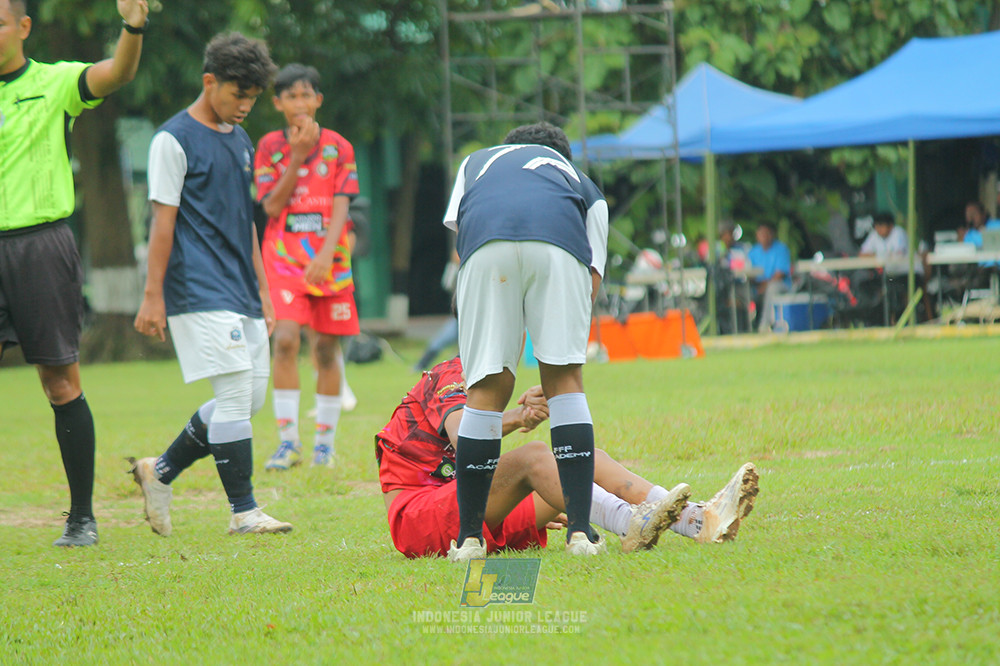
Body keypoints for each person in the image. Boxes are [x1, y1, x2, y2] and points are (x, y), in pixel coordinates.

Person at [129, 33, 292, 537]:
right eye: (236, 95)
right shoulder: (171, 141)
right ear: (209, 82)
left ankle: (159, 473)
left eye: (252, 98)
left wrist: (262, 289)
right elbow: (162, 221)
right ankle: (244, 511)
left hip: (240, 285)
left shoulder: (239, 140)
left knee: (250, 400)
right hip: (197, 286)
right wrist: (153, 295)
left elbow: (245, 222)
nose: (244, 106)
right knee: (236, 392)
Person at [0, 0, 149, 547]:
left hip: (41, 245)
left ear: (23, 27)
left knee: (59, 382)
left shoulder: (54, 83)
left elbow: (117, 73)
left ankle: (81, 517)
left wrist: (132, 26)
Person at [377, 356, 760, 558]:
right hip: (420, 518)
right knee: (535, 458)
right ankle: (630, 523)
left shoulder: (485, 371)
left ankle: (698, 520)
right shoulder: (454, 371)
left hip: (465, 507)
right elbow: (465, 438)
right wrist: (518, 417)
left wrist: (517, 416)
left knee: (581, 458)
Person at [442, 121, 609, 559]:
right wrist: (558, 363)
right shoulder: (582, 185)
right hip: (558, 247)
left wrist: (501, 359)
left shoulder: (475, 163)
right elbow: (590, 280)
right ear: (562, 159)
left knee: (484, 389)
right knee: (566, 383)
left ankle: (469, 539)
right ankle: (579, 534)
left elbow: (465, 234)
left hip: (484, 248)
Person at [253, 63, 361, 471]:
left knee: (326, 348)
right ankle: (288, 442)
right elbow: (271, 206)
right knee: (283, 339)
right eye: (290, 96)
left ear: (318, 99)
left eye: (306, 95)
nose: (299, 103)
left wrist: (325, 255)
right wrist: (297, 157)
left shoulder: (339, 147)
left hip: (329, 262)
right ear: (278, 103)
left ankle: (324, 446)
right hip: (281, 258)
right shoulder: (268, 148)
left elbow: (342, 205)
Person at [412, 249, 460, 373]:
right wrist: (454, 266)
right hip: (458, 317)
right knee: (438, 342)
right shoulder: (456, 269)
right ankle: (420, 366)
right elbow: (447, 284)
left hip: (474, 318)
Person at [747, 222, 792, 333]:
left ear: (772, 234)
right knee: (741, 291)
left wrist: (764, 286)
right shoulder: (753, 252)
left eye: (766, 233)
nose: (764, 236)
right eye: (761, 234)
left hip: (780, 285)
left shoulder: (781, 249)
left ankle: (764, 326)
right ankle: (744, 327)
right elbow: (749, 272)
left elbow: (780, 274)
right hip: (758, 286)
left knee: (772, 288)